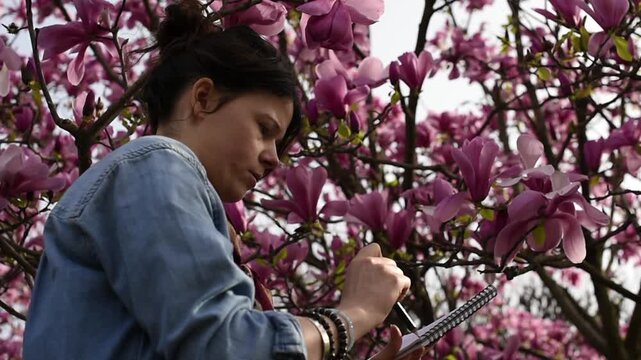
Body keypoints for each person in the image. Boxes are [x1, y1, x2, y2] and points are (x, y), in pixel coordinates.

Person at [23, 1, 426, 359]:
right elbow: (219, 343)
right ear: (202, 97)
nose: (273, 158)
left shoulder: (158, 184)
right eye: (265, 128)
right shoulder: (155, 166)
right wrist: (353, 315)